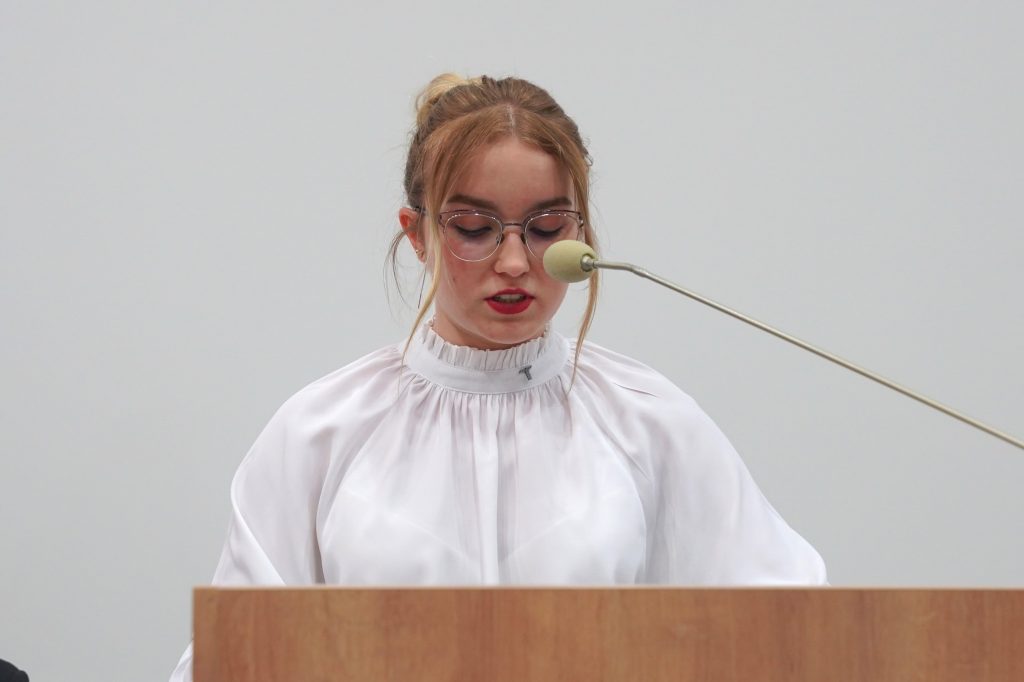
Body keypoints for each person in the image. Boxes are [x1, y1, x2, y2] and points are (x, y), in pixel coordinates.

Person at [169, 73, 826, 681]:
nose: (514, 262)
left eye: (545, 228)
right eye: (475, 228)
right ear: (417, 234)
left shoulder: (650, 422)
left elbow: (792, 632)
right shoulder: (320, 433)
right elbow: (232, 661)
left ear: (581, 233)